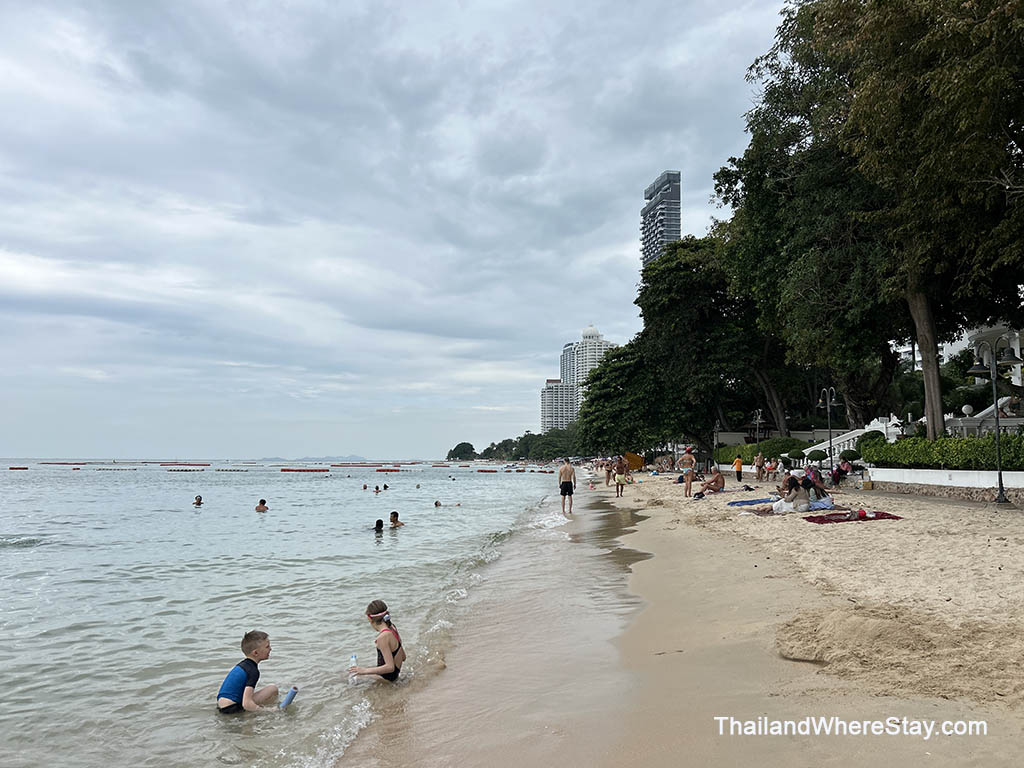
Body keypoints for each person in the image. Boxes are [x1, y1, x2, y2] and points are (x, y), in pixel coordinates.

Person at [216, 630, 279, 714]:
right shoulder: (253, 671)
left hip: (221, 706)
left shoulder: (241, 665)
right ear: (255, 653)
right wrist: (268, 711)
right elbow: (246, 704)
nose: (271, 649)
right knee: (273, 689)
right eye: (267, 647)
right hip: (233, 709)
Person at [349, 600, 405, 682]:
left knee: (348, 676)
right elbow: (403, 657)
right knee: (354, 672)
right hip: (395, 675)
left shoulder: (382, 637)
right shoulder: (392, 628)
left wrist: (364, 671)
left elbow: (390, 667)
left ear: (370, 619)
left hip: (387, 678)